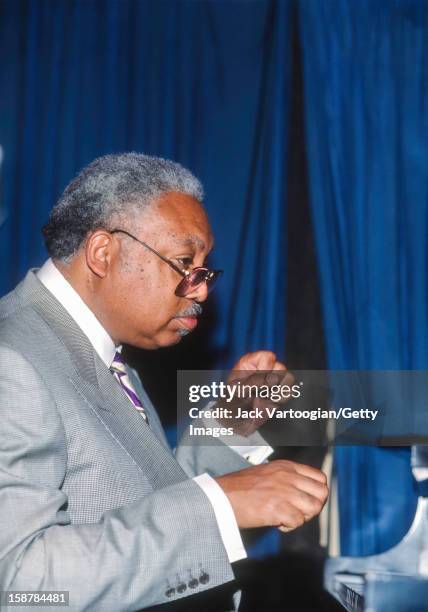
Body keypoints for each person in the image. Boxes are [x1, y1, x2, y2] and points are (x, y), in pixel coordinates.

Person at [0, 153, 328, 611]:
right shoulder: (11, 360)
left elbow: (141, 498)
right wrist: (220, 506)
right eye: (183, 262)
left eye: (204, 267)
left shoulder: (96, 351)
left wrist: (231, 424)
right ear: (102, 253)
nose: (201, 290)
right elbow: (20, 586)